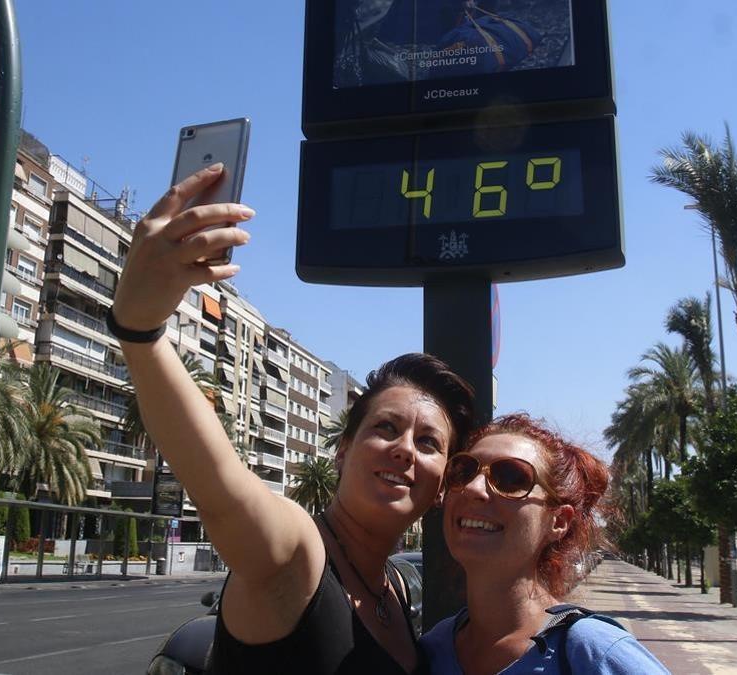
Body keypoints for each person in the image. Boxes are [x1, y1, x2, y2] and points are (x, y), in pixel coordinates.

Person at [111, 165, 476, 673]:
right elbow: (223, 492)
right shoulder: (297, 555)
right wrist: (140, 331)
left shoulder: (392, 588)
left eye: (429, 443)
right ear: (343, 449)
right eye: (386, 428)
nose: (404, 449)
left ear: (441, 487)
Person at [419, 413, 669, 674]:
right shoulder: (432, 649)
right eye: (463, 472)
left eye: (511, 478)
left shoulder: (593, 652)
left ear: (559, 521)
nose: (473, 488)